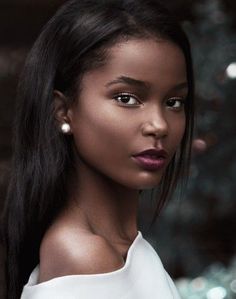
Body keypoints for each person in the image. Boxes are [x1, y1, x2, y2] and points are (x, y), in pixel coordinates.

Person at [3, 0, 194, 298]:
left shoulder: (120, 248)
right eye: (127, 98)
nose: (159, 125)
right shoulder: (84, 257)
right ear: (62, 111)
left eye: (174, 102)